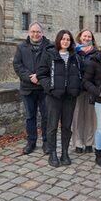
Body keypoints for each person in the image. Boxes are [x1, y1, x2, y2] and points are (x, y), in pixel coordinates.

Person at [37, 30, 81, 167]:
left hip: (69, 97)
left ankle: (65, 152)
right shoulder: (50, 54)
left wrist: (76, 88)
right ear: (58, 40)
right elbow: (42, 74)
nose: (65, 42)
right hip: (54, 96)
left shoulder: (75, 56)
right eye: (63, 39)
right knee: (52, 126)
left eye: (68, 39)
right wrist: (50, 88)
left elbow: (81, 73)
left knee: (67, 126)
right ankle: (53, 153)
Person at [13, 22, 51, 155]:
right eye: (33, 32)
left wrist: (40, 77)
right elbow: (17, 65)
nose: (35, 34)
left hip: (44, 88)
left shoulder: (49, 47)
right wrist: (30, 77)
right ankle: (31, 142)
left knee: (46, 117)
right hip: (27, 88)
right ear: (29, 33)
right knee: (30, 116)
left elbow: (52, 65)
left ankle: (46, 142)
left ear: (42, 33)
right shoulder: (21, 47)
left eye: (38, 32)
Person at [71, 29, 98, 154]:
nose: (87, 38)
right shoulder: (74, 52)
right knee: (77, 117)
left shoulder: (96, 54)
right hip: (77, 89)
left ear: (92, 39)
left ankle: (89, 143)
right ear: (80, 37)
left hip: (91, 89)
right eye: (84, 36)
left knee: (91, 117)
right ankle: (78, 143)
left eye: (89, 36)